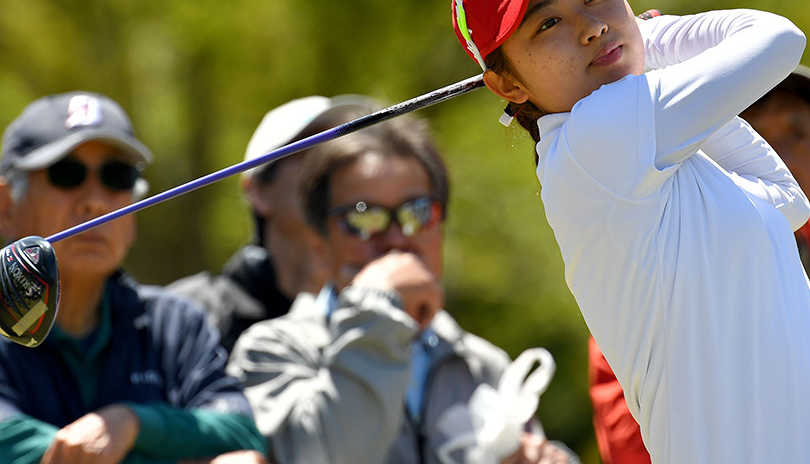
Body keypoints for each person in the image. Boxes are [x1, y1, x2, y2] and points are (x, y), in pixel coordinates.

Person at [450, 0, 810, 463]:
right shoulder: (595, 140)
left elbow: (786, 201)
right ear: (509, 85)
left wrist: (638, 50)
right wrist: (654, 39)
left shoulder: (646, 144)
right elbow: (778, 39)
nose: (589, 26)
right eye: (549, 23)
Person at [587, 64, 810, 464]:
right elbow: (631, 448)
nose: (779, 154)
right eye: (752, 134)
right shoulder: (646, 294)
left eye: (797, 134)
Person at [228, 117, 573, 464]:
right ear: (319, 243)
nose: (395, 237)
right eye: (363, 216)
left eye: (417, 212)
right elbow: (324, 454)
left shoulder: (482, 365)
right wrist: (377, 306)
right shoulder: (270, 352)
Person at [0, 91, 267, 463]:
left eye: (116, 176)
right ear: (6, 207)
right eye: (66, 173)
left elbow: (240, 430)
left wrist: (133, 424)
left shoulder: (175, 321)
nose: (95, 201)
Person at [170, 95, 375, 353]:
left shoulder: (378, 311)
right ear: (258, 192)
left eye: (343, 155)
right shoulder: (190, 313)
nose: (333, 169)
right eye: (310, 153)